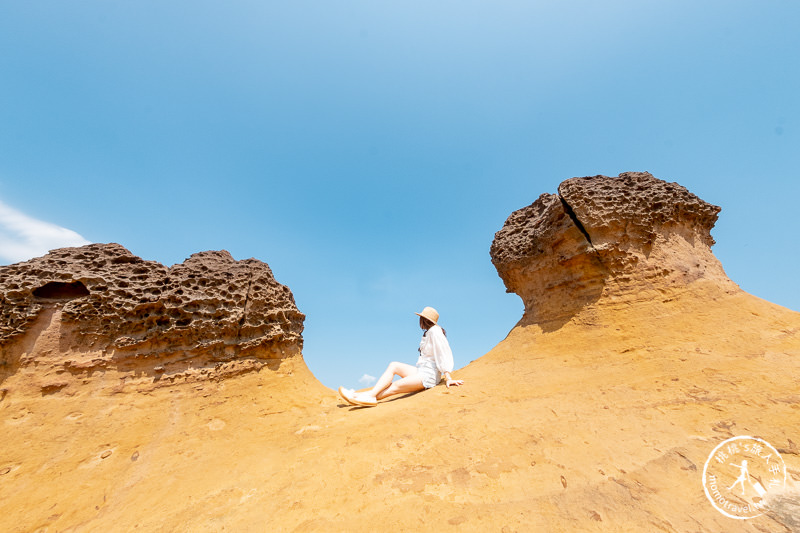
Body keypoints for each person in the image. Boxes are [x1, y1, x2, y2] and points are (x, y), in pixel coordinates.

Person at [338, 306, 464, 407]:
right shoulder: (429, 332)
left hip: (428, 376)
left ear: (424, 319)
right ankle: (358, 395)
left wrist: (448, 376)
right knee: (394, 365)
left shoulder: (435, 332)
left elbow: (443, 353)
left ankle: (363, 397)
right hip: (421, 371)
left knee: (395, 387)